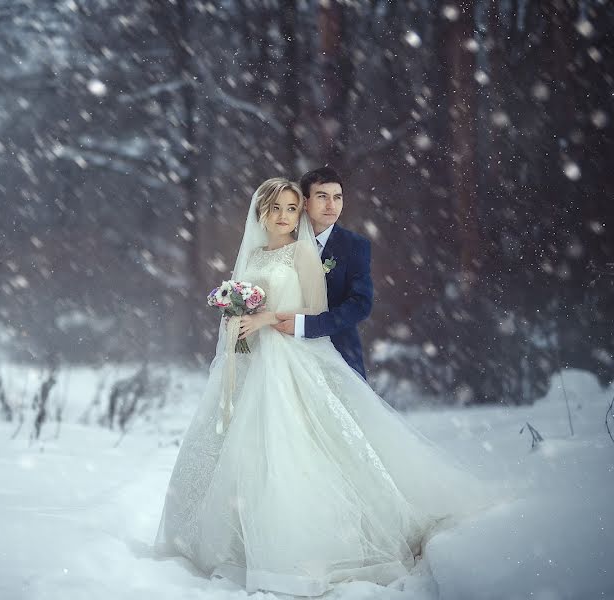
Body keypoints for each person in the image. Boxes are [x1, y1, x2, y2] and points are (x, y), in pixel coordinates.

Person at [154, 177, 497, 597]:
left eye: (291, 209)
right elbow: (246, 302)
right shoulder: (255, 254)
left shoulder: (302, 252)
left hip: (290, 356)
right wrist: (236, 320)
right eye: (275, 209)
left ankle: (318, 540)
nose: (283, 216)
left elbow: (314, 307)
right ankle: (242, 542)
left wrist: (265, 319)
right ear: (260, 213)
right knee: (247, 448)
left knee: (300, 444)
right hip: (253, 360)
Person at [272, 166, 372, 379]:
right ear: (305, 203)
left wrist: (308, 326)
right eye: (322, 196)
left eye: (337, 197)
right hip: (280, 354)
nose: (331, 205)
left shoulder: (354, 245)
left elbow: (360, 304)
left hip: (338, 355)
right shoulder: (282, 239)